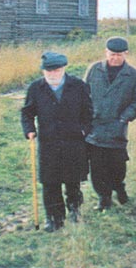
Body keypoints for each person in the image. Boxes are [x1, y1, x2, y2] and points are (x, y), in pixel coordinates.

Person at [21, 52, 92, 231]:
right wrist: (29, 129)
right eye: (49, 71)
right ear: (43, 71)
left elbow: (89, 112)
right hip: (48, 143)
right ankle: (54, 219)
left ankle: (75, 211)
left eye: (57, 70)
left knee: (73, 180)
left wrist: (84, 130)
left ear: (64, 69)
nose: (53, 74)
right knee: (50, 182)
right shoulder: (36, 88)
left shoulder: (78, 86)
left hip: (73, 142)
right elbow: (27, 112)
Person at [84, 36, 136, 211]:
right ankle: (104, 198)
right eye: (112, 54)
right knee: (96, 166)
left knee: (117, 165)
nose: (115, 58)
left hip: (117, 127)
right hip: (95, 127)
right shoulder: (94, 70)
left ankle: (119, 188)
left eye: (119, 55)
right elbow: (84, 94)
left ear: (126, 54)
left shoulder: (133, 76)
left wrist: (125, 117)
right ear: (106, 52)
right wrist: (87, 116)